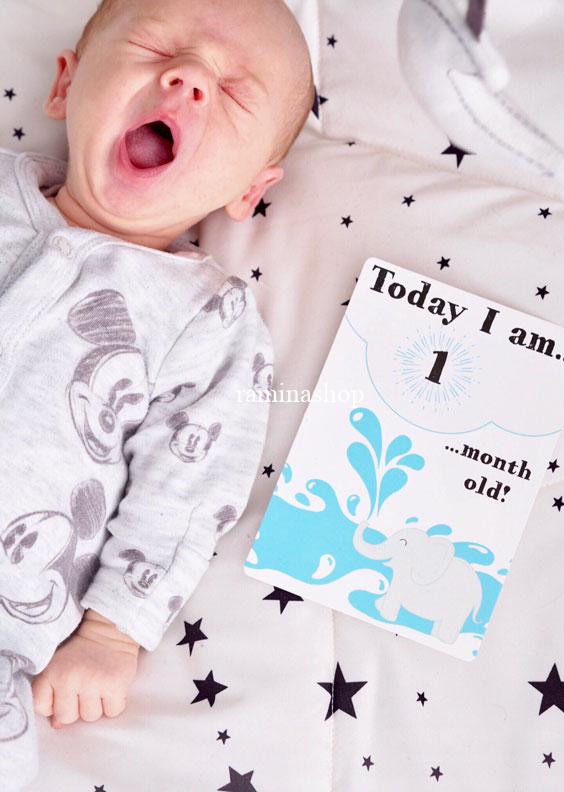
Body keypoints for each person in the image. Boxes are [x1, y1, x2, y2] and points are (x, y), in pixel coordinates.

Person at [0, 0, 314, 788]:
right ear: (65, 86)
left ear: (250, 190)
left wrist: (113, 631)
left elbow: (187, 491)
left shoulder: (205, 320)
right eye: (155, 47)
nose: (189, 78)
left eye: (235, 92)